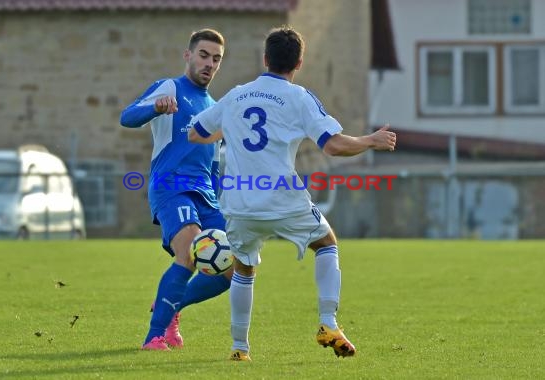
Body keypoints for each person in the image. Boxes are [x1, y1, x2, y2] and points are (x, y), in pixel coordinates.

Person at [188, 25, 396, 361]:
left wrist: (231, 130)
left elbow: (196, 134)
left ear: (265, 58)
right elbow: (334, 146)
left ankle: (240, 349)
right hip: (282, 198)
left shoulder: (236, 95)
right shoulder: (299, 98)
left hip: (239, 201)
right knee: (326, 243)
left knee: (243, 269)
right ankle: (328, 322)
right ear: (298, 64)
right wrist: (370, 140)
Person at [120, 28, 232, 351]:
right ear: (188, 55)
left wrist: (218, 199)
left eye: (216, 59)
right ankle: (154, 337)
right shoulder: (168, 88)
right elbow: (126, 117)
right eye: (203, 55)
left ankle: (171, 307)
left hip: (206, 195)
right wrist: (155, 108)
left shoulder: (214, 107)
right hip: (170, 185)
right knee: (190, 252)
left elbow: (212, 164)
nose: (209, 63)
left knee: (234, 265)